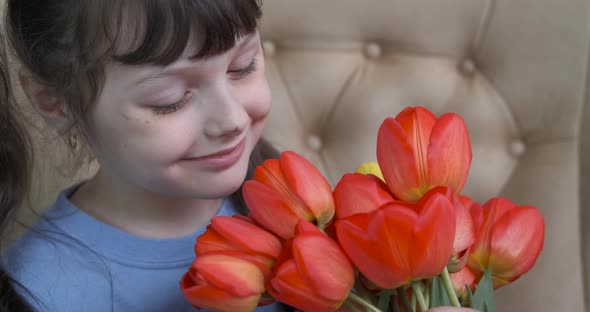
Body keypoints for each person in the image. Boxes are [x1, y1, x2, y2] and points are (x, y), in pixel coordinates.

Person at [0, 0, 290, 311]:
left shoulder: (291, 197)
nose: (233, 120)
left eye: (243, 66)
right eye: (170, 100)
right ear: (56, 103)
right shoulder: (40, 292)